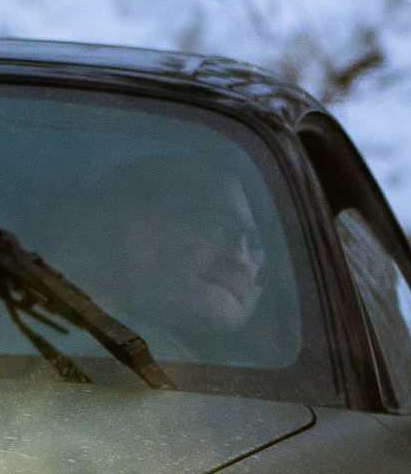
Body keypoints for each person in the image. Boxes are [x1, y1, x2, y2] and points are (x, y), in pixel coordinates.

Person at [82, 145, 270, 354]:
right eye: (218, 226)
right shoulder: (73, 344)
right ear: (141, 234)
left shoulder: (266, 365)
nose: (242, 260)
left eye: (257, 244)